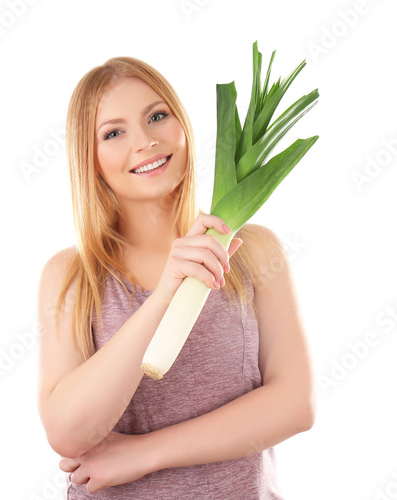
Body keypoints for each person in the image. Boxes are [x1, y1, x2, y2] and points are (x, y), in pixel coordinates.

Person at [36, 55, 316, 499]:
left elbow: (295, 406)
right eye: (113, 132)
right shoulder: (73, 276)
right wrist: (165, 292)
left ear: (182, 125)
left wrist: (144, 453)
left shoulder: (251, 250)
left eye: (157, 116)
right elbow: (69, 434)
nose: (145, 141)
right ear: (89, 159)